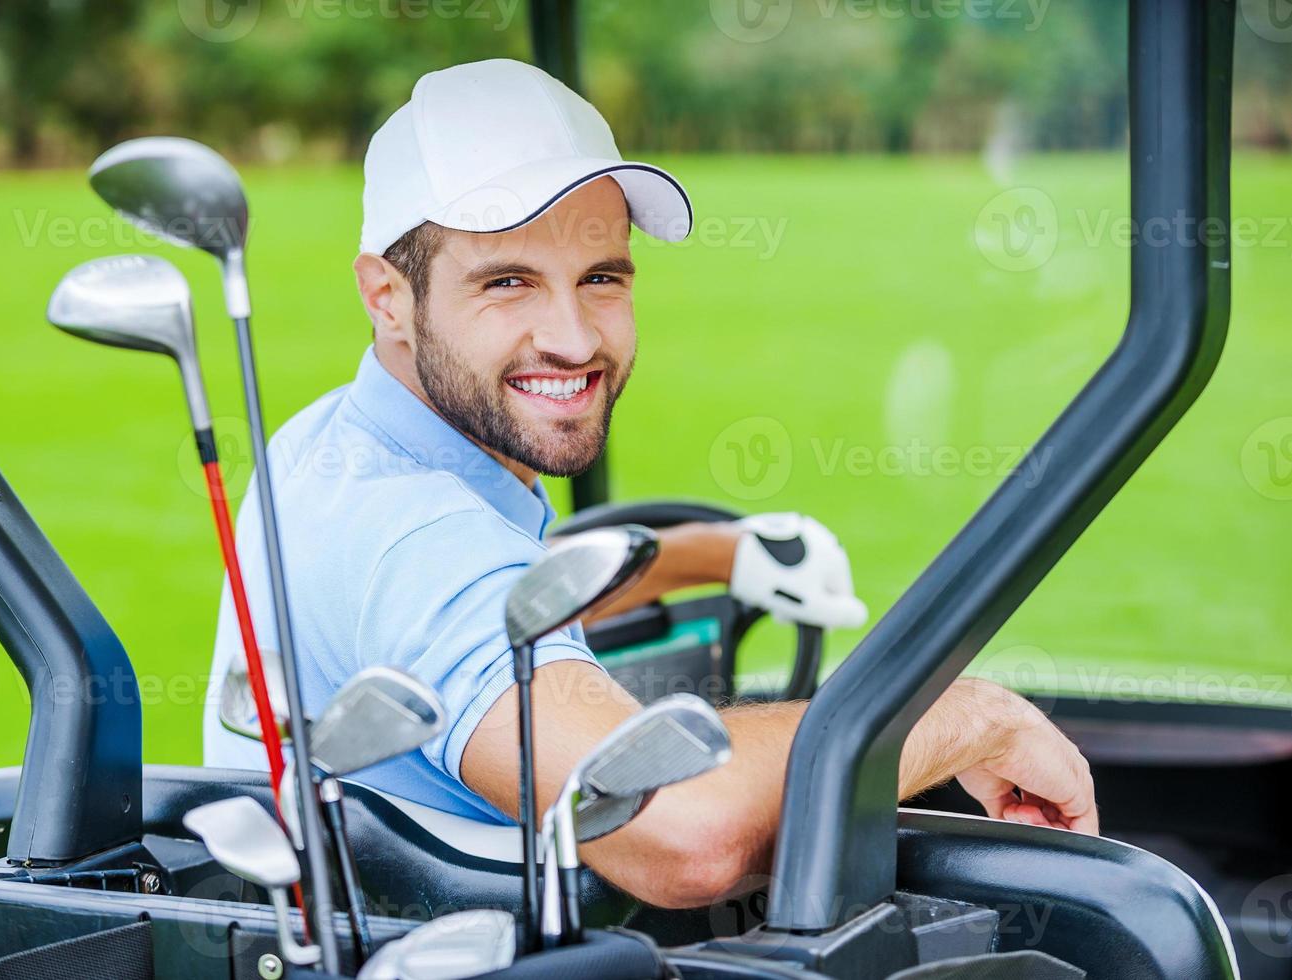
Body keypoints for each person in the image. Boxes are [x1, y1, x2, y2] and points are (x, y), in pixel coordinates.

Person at [203, 58, 1097, 910]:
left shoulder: (339, 441)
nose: (573, 338)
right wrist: (967, 718)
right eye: (507, 282)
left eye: (600, 278)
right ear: (387, 295)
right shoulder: (417, 538)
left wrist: (715, 554)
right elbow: (681, 829)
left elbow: (505, 608)